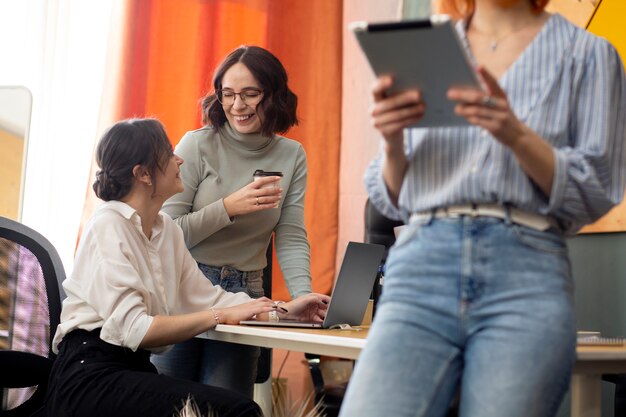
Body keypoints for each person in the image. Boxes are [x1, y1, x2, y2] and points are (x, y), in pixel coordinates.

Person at [339, 1, 626, 417]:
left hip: (525, 274)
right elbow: (391, 199)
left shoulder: (589, 54)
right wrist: (392, 141)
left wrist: (515, 135)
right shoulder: (427, 51)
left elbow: (596, 190)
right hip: (421, 267)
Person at [44, 118, 330, 417]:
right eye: (168, 154)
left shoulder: (166, 229)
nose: (178, 159)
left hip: (131, 370)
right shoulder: (108, 225)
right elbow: (136, 330)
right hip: (89, 377)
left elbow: (212, 298)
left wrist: (285, 311)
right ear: (143, 174)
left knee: (229, 405)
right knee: (236, 410)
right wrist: (218, 316)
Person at [151, 45, 312, 397]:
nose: (237, 106)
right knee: (166, 404)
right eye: (228, 94)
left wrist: (302, 298)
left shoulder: (291, 155)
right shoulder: (196, 145)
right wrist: (228, 207)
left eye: (250, 94)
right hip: (183, 287)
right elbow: (165, 233)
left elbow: (291, 235)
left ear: (274, 95)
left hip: (245, 295)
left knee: (228, 406)